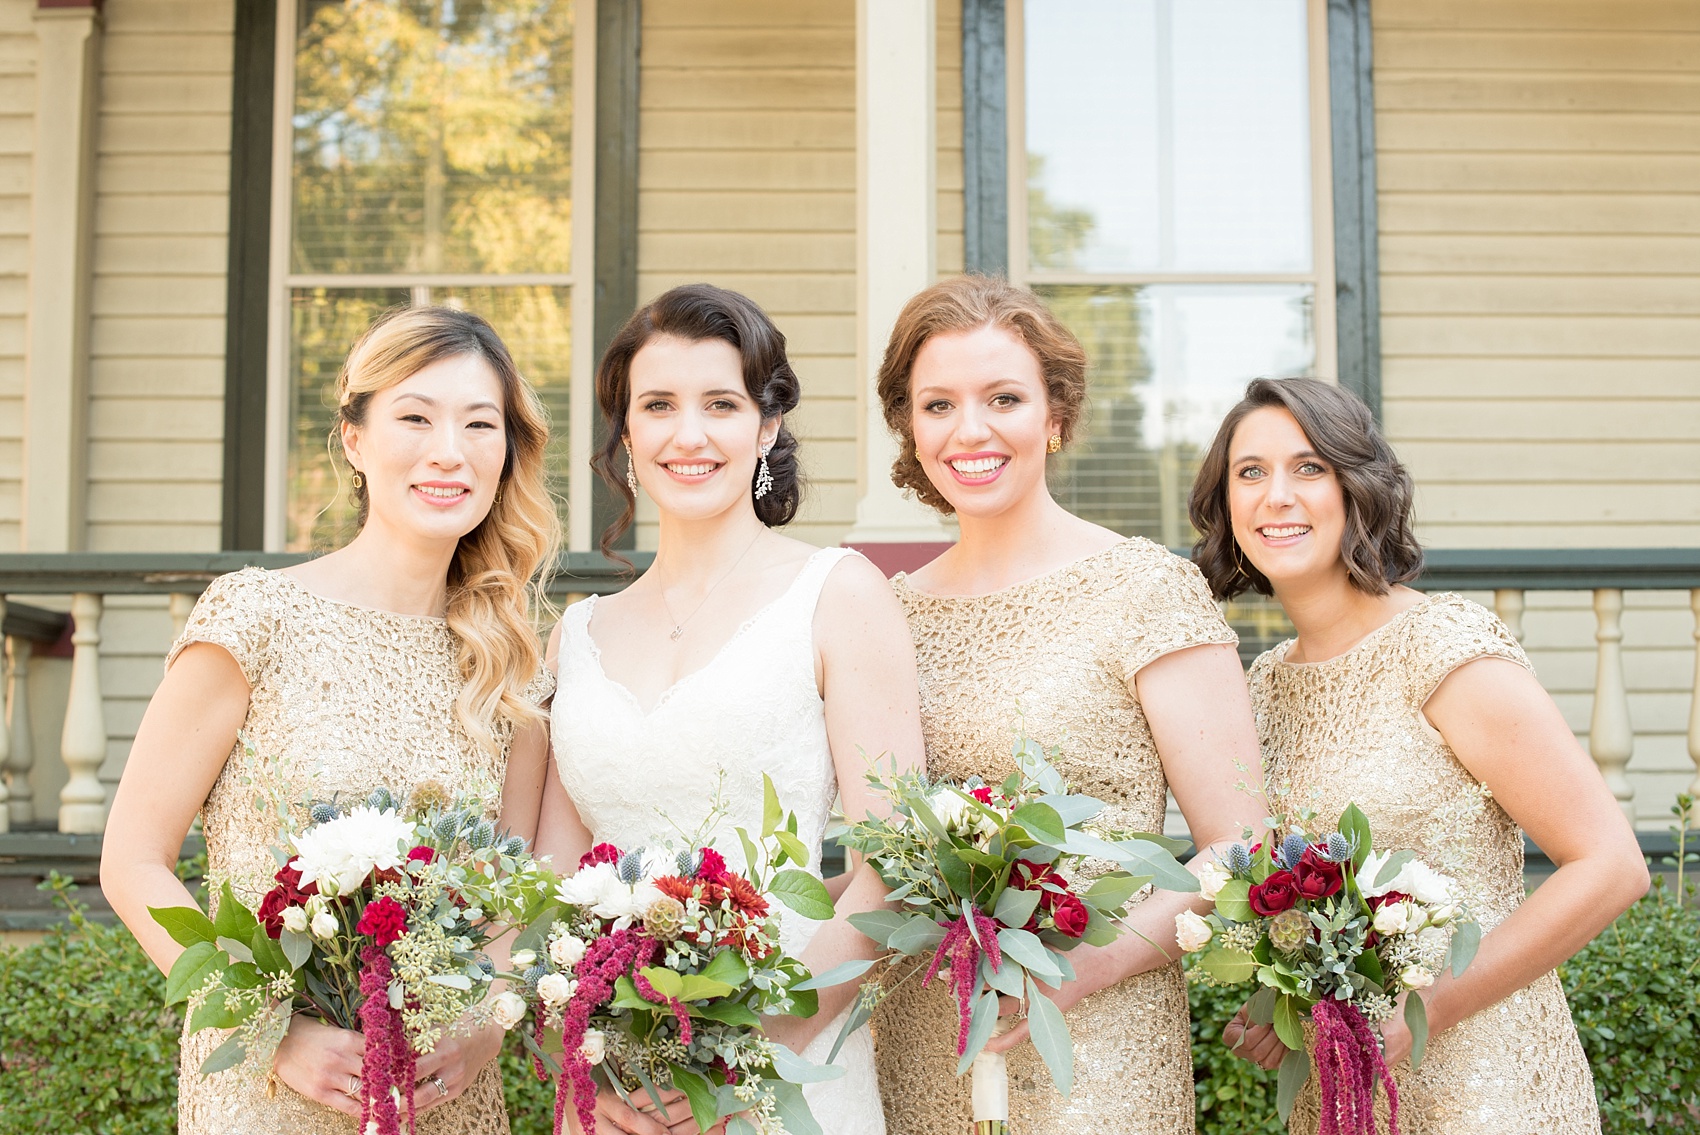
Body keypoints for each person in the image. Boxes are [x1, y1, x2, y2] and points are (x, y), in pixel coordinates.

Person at [101, 306, 561, 1134]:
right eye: (414, 417)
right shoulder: (256, 616)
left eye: (478, 423)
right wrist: (270, 1030)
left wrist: (485, 1025)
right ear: (354, 438)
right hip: (269, 1093)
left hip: (441, 1097)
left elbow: (517, 897)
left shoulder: (510, 660)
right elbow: (132, 861)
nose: (447, 450)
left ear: (506, 451)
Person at [1192, 377, 1648, 1132]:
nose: (1276, 494)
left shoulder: (1442, 649)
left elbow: (1611, 865)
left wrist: (1422, 1011)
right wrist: (1288, 991)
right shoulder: (1263, 686)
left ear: (1357, 487)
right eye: (1251, 471)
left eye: (1309, 467)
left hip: (1489, 1088)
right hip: (1342, 1090)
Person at [867, 275, 1264, 1135]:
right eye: (938, 404)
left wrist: (1092, 964)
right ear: (911, 428)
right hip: (924, 1030)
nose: (970, 429)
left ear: (1054, 413)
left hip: (1097, 1036)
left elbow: (1240, 846)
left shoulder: (1145, 589)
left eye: (1003, 397)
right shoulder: (884, 614)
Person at [535, 284, 924, 1135]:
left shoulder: (837, 593)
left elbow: (893, 866)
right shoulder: (579, 634)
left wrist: (748, 1050)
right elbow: (554, 892)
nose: (689, 433)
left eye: (721, 403)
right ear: (627, 435)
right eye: (659, 405)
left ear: (767, 425)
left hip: (787, 1071)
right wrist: (590, 1061)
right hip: (619, 1095)